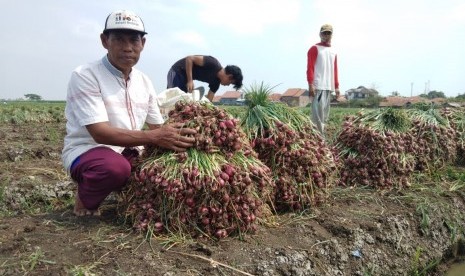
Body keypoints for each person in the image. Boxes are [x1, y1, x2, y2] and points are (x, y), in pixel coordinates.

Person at [62, 10, 197, 216]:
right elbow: (100, 133)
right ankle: (85, 201)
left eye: (134, 40)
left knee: (161, 174)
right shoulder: (86, 75)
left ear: (143, 43)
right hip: (89, 151)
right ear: (104, 40)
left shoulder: (143, 81)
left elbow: (157, 127)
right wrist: (155, 137)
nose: (127, 48)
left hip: (130, 151)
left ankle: (120, 188)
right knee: (114, 169)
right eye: (118, 40)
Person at [306, 24, 340, 135]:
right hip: (318, 86)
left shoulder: (333, 51)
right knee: (317, 117)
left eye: (328, 33)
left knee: (324, 116)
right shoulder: (314, 49)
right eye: (324, 33)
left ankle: (320, 138)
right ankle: (318, 139)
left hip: (328, 87)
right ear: (320, 34)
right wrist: (311, 84)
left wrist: (337, 86)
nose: (326, 35)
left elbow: (335, 69)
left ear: (332, 35)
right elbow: (310, 67)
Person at [167, 55, 243, 101]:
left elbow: (208, 101)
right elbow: (190, 59)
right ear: (230, 77)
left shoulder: (216, 83)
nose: (228, 85)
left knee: (182, 101)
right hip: (177, 72)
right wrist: (190, 80)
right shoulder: (213, 63)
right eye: (230, 83)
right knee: (173, 97)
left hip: (186, 79)